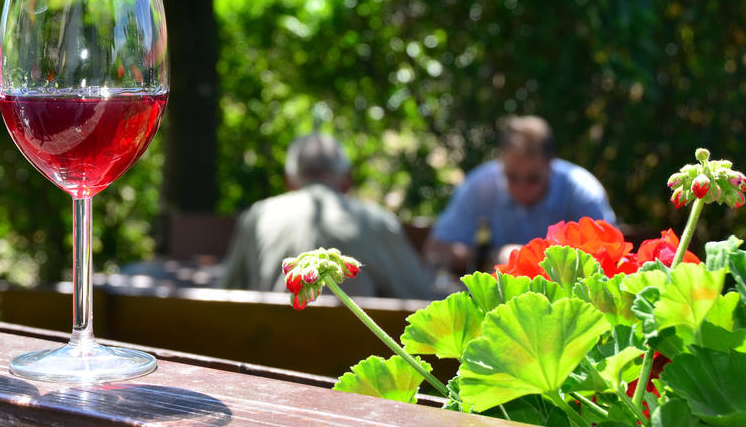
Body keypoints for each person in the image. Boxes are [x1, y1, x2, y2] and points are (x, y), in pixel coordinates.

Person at [220, 133, 432, 299]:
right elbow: (418, 295)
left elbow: (226, 290)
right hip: (359, 351)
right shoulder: (376, 220)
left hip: (265, 351)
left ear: (288, 181)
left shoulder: (257, 216)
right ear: (347, 180)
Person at [424, 115, 616, 272]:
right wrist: (494, 257)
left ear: (551, 165)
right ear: (501, 162)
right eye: (511, 177)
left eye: (532, 179)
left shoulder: (581, 191)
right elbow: (437, 248)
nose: (521, 188)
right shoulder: (480, 186)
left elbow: (608, 254)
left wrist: (532, 261)